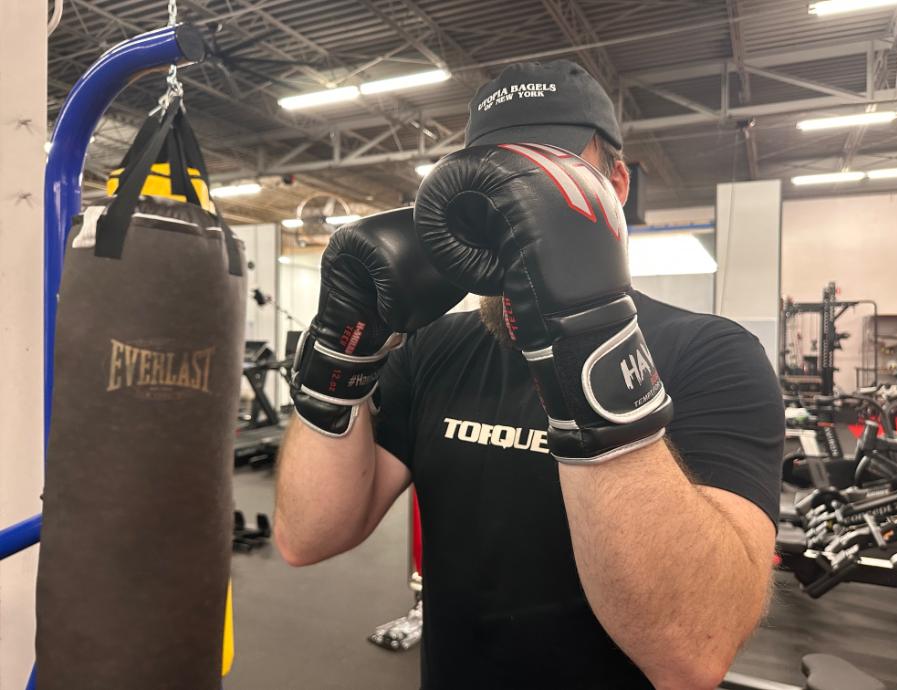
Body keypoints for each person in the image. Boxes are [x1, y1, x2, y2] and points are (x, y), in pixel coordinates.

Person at [274, 59, 784, 690]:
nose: (513, 201)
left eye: (546, 171)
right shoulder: (434, 349)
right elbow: (307, 535)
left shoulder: (713, 353)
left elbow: (692, 653)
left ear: (615, 184)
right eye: (492, 178)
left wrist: (581, 327)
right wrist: (342, 354)